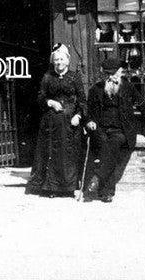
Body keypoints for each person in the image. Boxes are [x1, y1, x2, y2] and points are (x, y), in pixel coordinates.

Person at [82, 56, 145, 203]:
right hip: (101, 130)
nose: (110, 78)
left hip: (122, 131)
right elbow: (87, 112)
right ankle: (106, 192)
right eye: (107, 75)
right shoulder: (95, 90)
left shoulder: (129, 88)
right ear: (103, 75)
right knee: (107, 146)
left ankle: (97, 178)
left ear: (120, 72)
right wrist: (89, 121)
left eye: (113, 74)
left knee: (114, 143)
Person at [24, 43, 85, 197]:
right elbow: (40, 97)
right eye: (56, 60)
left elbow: (83, 101)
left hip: (70, 123)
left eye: (61, 59)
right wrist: (50, 102)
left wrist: (78, 116)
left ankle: (68, 188)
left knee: (67, 155)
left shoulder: (75, 77)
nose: (58, 63)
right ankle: (51, 188)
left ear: (67, 60)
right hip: (50, 123)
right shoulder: (47, 77)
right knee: (51, 153)